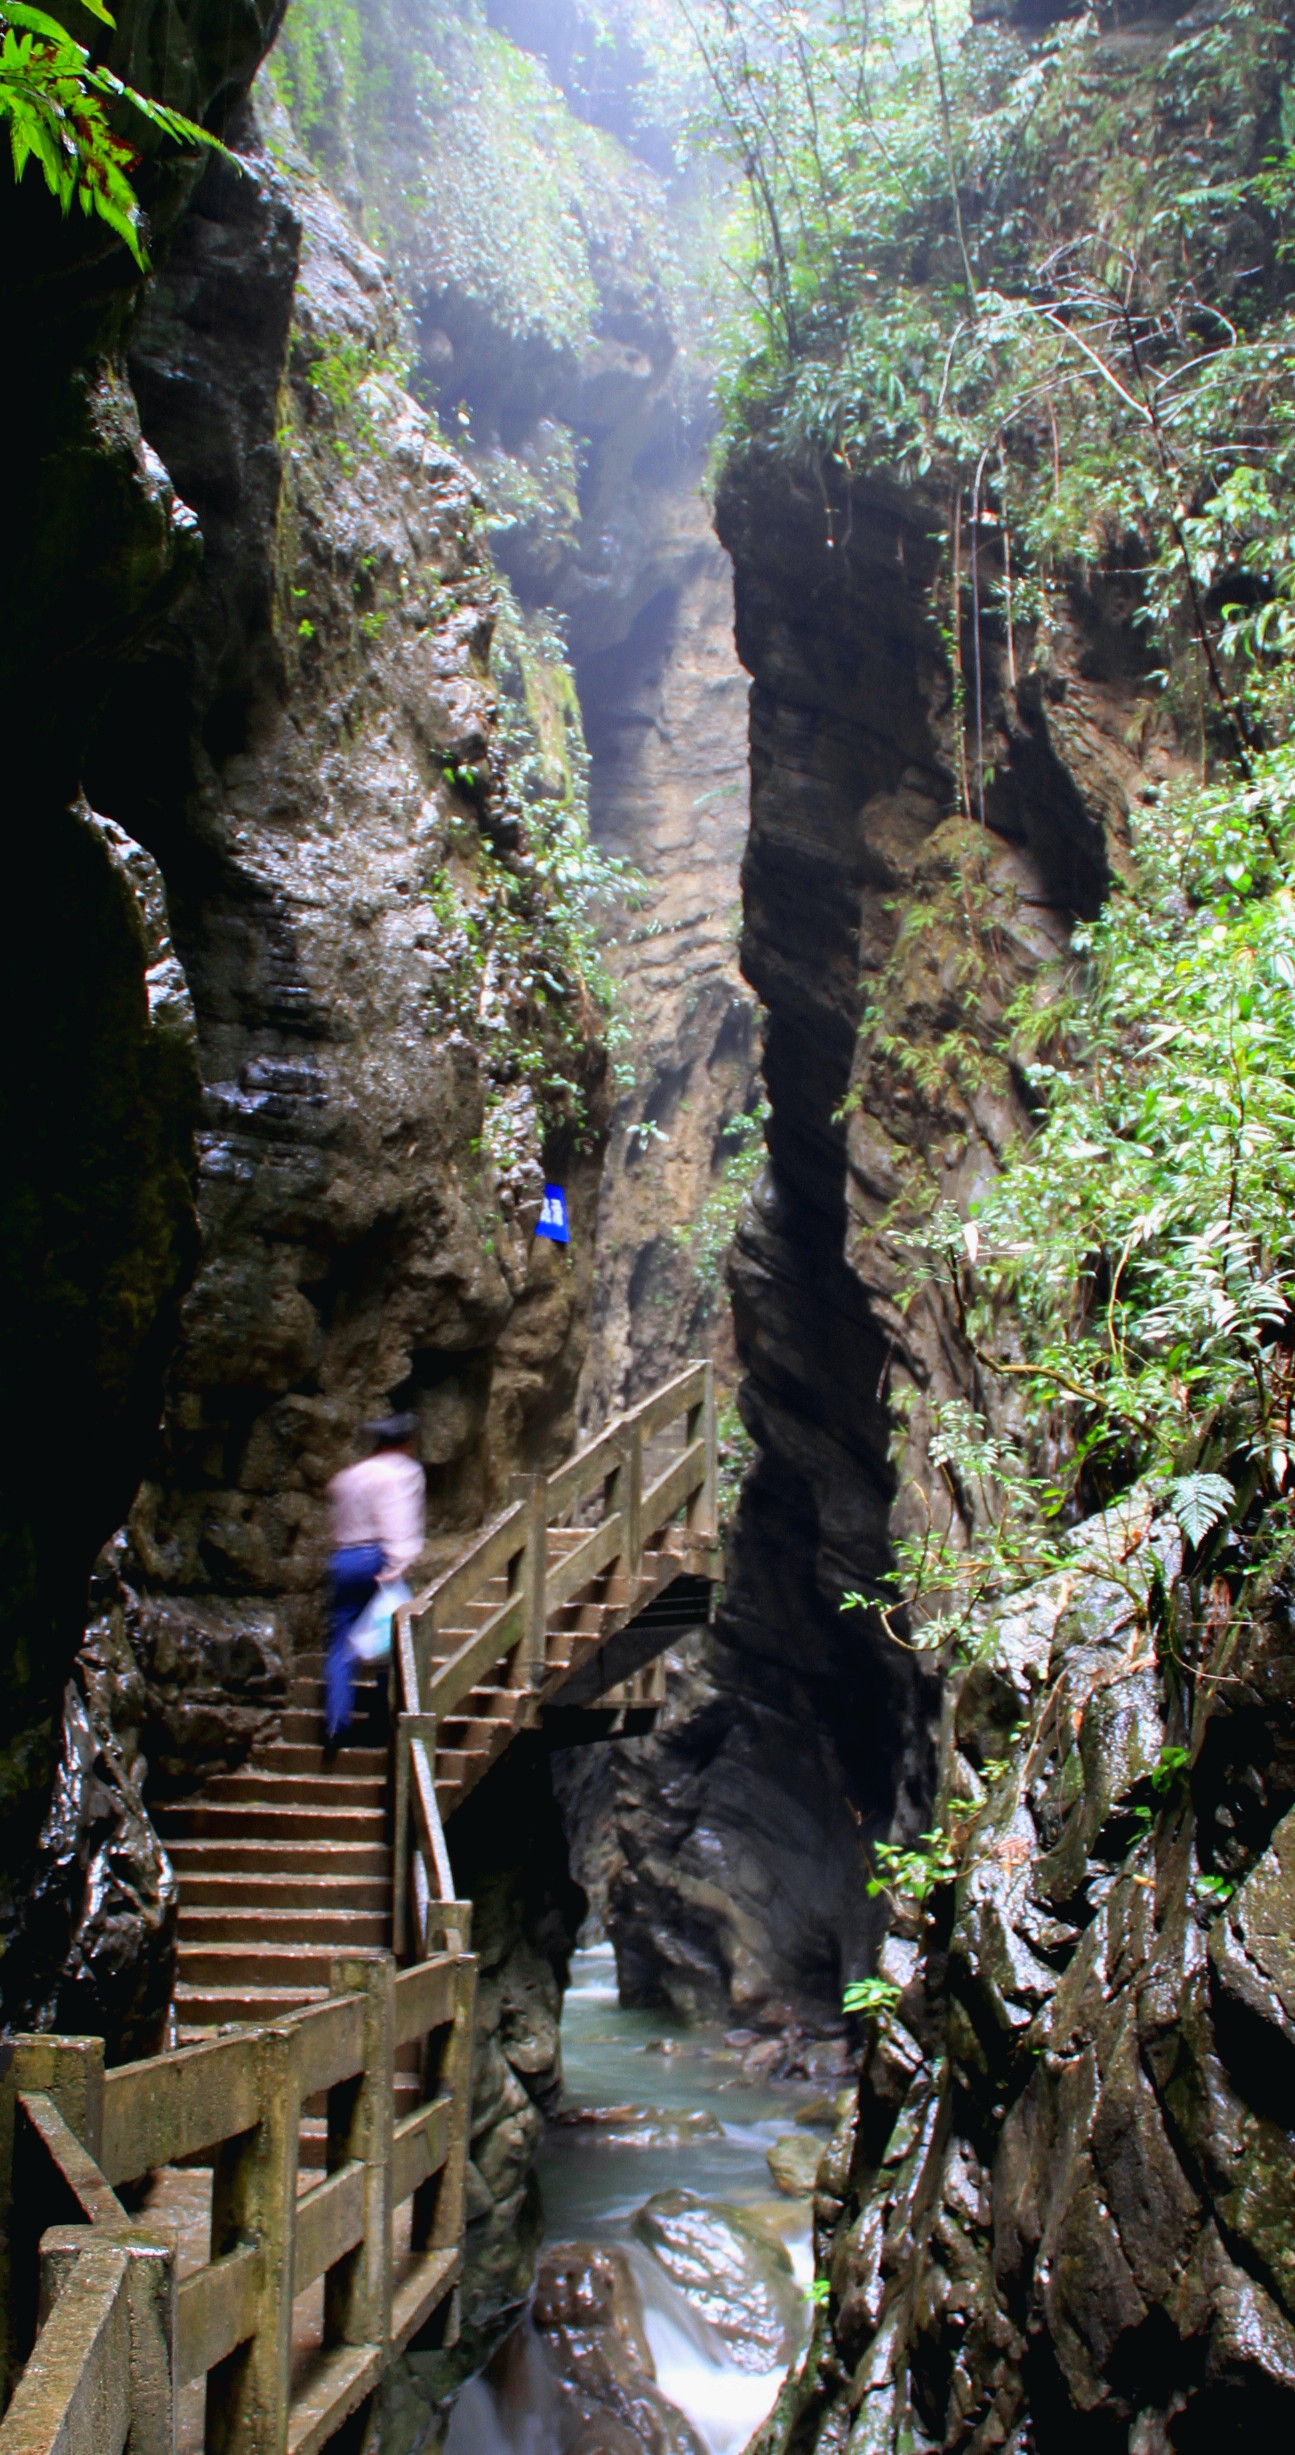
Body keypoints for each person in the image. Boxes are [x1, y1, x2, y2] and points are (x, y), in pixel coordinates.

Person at [325, 1411, 425, 1744]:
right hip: (376, 1560)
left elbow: (336, 1515)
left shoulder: (352, 1475)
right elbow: (397, 1518)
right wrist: (398, 1563)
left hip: (344, 1559)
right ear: (406, 1443)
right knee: (392, 1640)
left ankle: (336, 1723)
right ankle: (381, 1720)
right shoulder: (402, 1473)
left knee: (341, 1642)